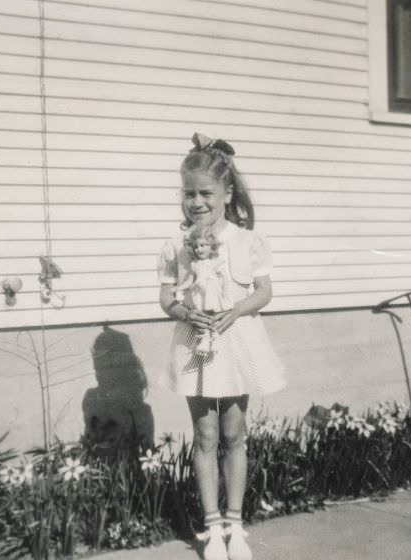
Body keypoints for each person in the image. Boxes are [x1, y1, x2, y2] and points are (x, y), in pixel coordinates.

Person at [157, 132, 287, 560]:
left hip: (237, 344)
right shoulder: (176, 245)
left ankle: (236, 525)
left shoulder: (248, 241)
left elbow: (264, 292)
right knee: (205, 433)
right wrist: (184, 313)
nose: (197, 202)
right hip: (196, 344)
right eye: (188, 194)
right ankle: (211, 528)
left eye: (206, 193)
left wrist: (237, 310)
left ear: (227, 194)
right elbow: (167, 299)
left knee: (234, 432)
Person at [172, 226, 228, 355]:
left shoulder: (215, 263)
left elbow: (224, 278)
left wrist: (225, 293)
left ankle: (214, 340)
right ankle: (204, 340)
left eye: (203, 245)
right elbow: (190, 280)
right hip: (199, 294)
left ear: (212, 247)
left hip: (211, 292)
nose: (199, 249)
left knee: (212, 316)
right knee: (201, 318)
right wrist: (179, 288)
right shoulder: (195, 265)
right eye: (196, 246)